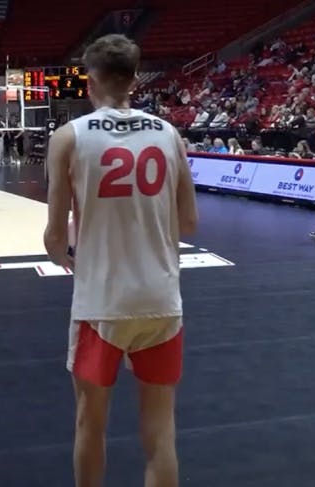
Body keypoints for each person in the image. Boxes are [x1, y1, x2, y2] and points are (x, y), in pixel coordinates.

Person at [43, 34, 198, 487]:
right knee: (160, 433)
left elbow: (54, 236)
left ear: (90, 81)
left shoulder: (68, 137)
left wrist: (70, 258)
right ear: (134, 79)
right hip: (162, 298)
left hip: (102, 301)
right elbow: (188, 222)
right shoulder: (169, 133)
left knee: (90, 426)